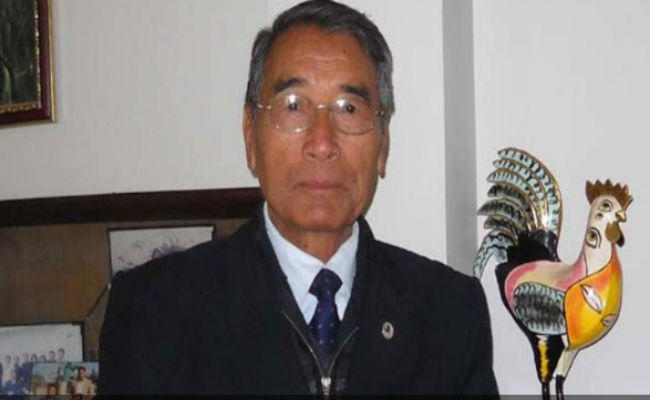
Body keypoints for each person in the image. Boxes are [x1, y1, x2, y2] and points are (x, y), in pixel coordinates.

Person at [99, 0, 498, 395]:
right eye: (293, 106)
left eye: (349, 109)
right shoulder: (153, 312)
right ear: (250, 136)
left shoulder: (449, 313)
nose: (322, 143)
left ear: (383, 143)